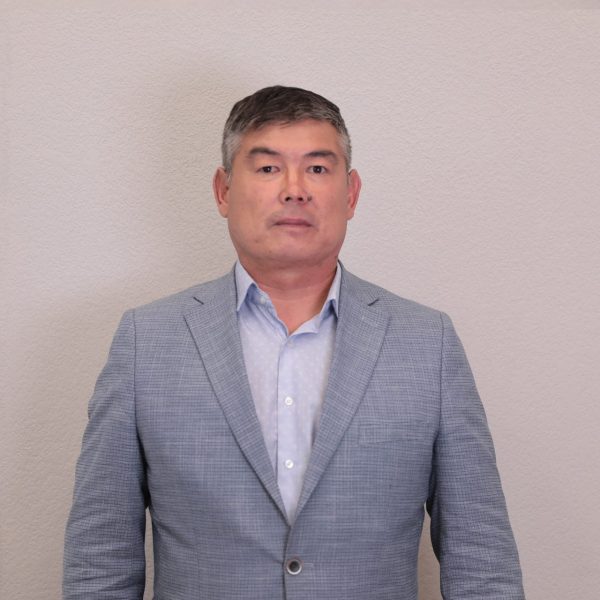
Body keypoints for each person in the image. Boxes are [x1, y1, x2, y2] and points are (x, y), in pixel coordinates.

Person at [64, 85, 525, 599]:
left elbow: (482, 561)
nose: (294, 189)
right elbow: (100, 561)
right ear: (223, 191)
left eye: (318, 168)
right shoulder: (146, 341)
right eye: (267, 168)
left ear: (351, 194)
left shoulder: (426, 343)